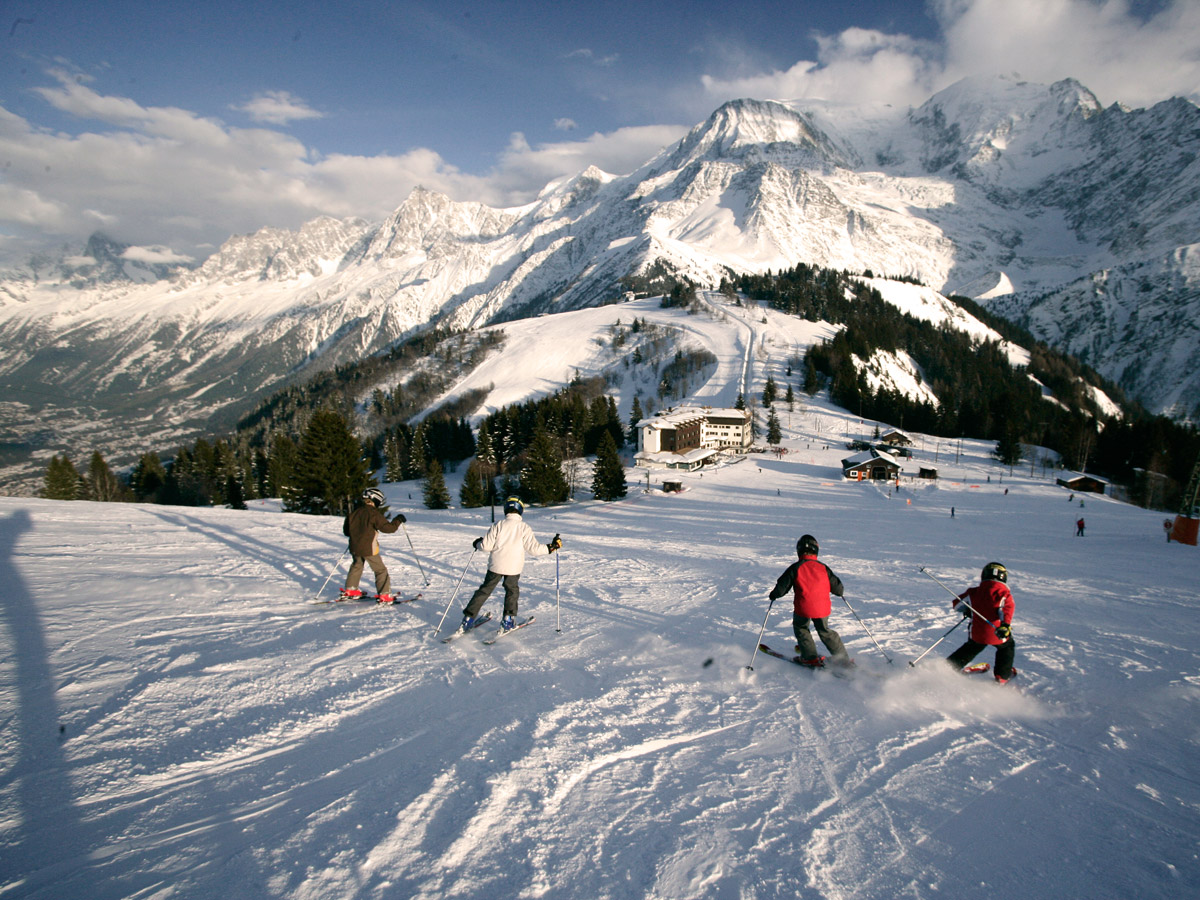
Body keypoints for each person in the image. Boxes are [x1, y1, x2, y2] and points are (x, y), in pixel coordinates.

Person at [460, 497, 562, 632]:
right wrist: (552, 547)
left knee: (485, 590)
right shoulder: (524, 527)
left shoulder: (498, 525)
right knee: (512, 591)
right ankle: (508, 620)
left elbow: (485, 546)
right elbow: (534, 549)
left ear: (506, 509)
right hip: (513, 568)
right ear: (520, 510)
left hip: (495, 565)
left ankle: (468, 619)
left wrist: (478, 543)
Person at [767, 534, 849, 667]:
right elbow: (838, 589)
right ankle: (843, 660)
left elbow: (782, 587)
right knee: (825, 631)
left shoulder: (796, 567)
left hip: (803, 608)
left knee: (801, 628)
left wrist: (774, 595)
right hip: (822, 608)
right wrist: (839, 592)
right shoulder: (823, 567)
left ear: (799, 550)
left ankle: (809, 657)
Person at [946, 562, 1016, 683]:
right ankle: (1002, 676)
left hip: (977, 633)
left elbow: (957, 606)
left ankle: (948, 668)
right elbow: (1006, 610)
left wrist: (968, 609)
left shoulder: (973, 592)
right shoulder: (1004, 594)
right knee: (1007, 647)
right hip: (998, 633)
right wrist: (1005, 625)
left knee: (972, 646)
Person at [341, 487, 405, 602]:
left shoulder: (354, 512)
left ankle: (351, 589)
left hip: (355, 546)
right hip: (369, 548)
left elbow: (347, 532)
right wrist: (398, 520)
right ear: (376, 500)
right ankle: (384, 594)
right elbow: (388, 528)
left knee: (357, 565)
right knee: (380, 570)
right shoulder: (373, 513)